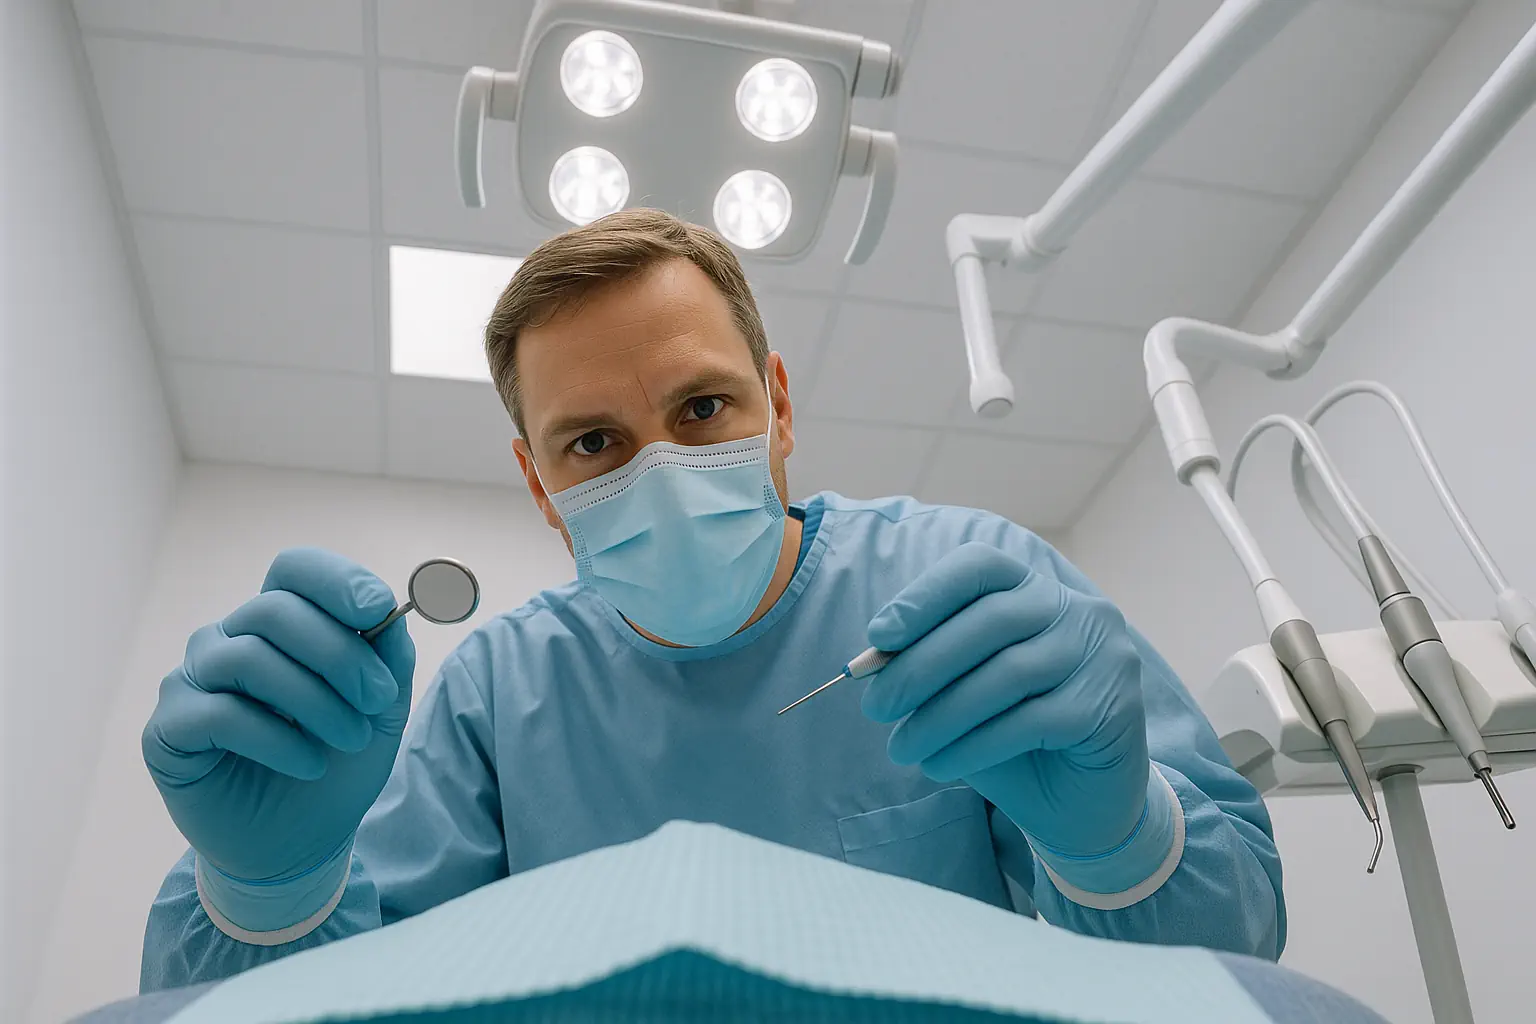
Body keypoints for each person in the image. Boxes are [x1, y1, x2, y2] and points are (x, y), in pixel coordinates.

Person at [139, 209, 1284, 990]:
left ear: (777, 406)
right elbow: (340, 1005)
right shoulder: (499, 695)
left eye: (701, 410)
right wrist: (267, 896)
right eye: (594, 442)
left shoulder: (958, 588)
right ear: (539, 484)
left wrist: (1121, 844)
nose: (663, 472)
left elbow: (1232, 966)